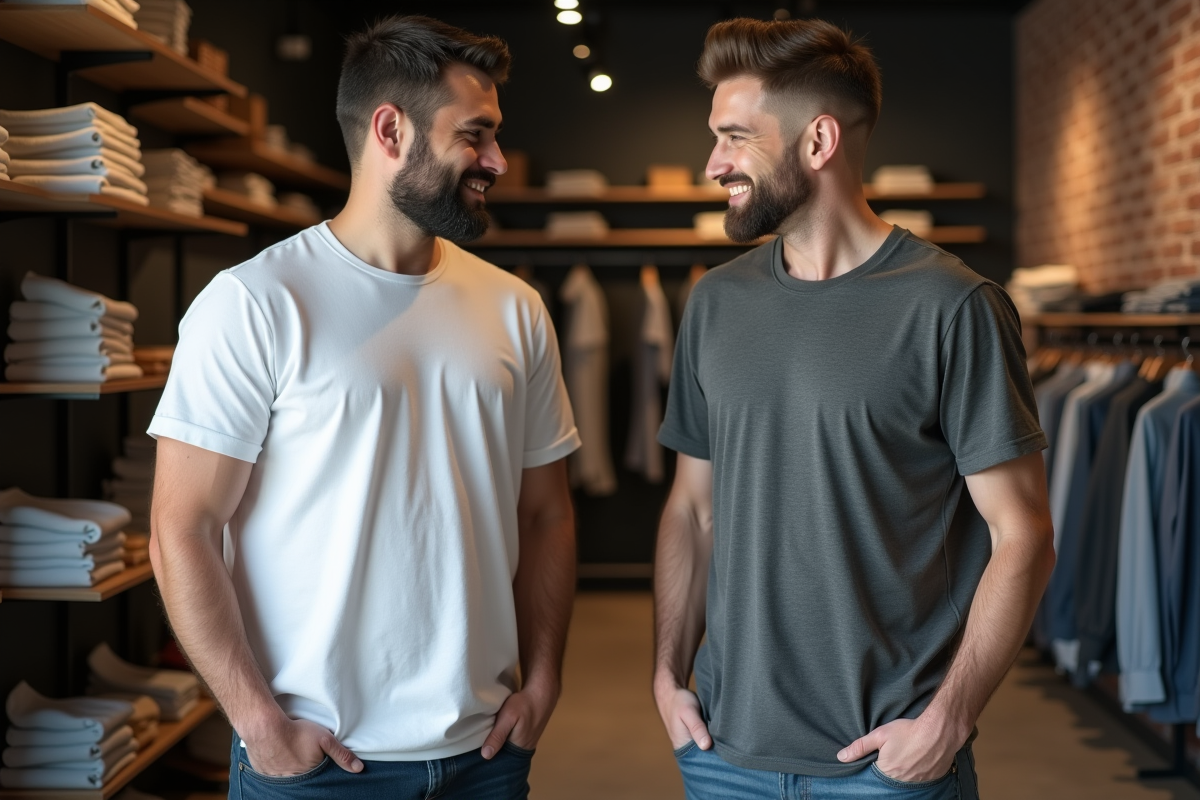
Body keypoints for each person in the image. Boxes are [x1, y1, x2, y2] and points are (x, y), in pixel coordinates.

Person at [148, 15, 580, 800]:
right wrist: (257, 723)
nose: (497, 161)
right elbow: (181, 529)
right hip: (317, 763)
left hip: (485, 755)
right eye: (475, 136)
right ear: (391, 129)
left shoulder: (517, 309)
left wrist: (544, 681)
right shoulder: (255, 303)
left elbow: (546, 515)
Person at [653, 17, 1055, 800]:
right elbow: (691, 510)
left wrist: (948, 718)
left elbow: (1024, 533)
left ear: (818, 141)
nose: (713, 164)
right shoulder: (715, 303)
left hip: (886, 763)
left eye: (734, 138)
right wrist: (668, 678)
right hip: (721, 753)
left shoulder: (953, 307)